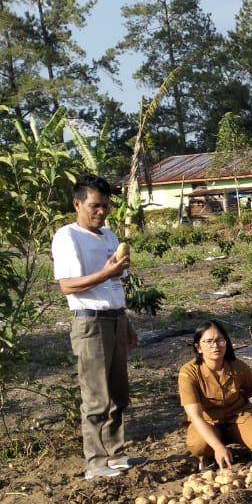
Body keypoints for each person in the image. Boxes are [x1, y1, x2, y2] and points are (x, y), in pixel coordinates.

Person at [51, 175, 145, 481]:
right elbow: (67, 286)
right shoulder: (68, 236)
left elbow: (115, 284)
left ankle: (115, 454)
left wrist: (125, 319)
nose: (101, 212)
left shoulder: (109, 236)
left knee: (118, 393)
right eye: (95, 206)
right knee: (96, 396)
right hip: (89, 321)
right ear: (78, 204)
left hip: (114, 317)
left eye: (105, 206)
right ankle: (95, 461)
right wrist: (105, 274)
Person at [179, 321, 252, 469]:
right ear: (198, 347)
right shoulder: (188, 373)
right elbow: (196, 416)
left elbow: (251, 388)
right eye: (208, 341)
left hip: (237, 417)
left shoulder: (237, 366)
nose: (215, 345)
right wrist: (218, 447)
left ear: (226, 343)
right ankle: (210, 454)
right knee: (199, 446)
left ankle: (248, 445)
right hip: (207, 421)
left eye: (220, 340)